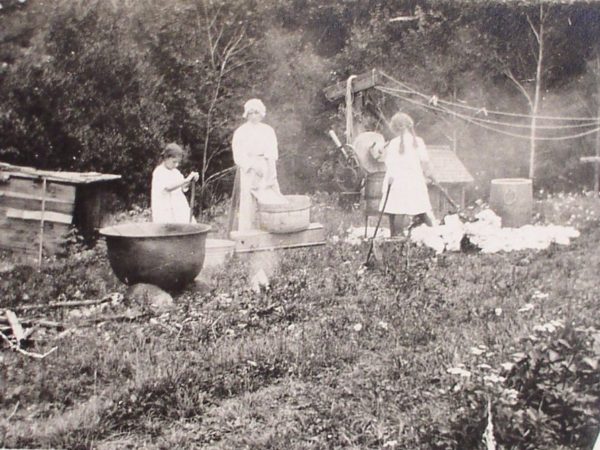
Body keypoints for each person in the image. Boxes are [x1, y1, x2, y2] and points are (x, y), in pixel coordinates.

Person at [231, 98, 285, 231]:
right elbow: (238, 154)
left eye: (257, 112)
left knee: (269, 197)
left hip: (266, 166)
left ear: (262, 113)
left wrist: (271, 172)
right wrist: (252, 166)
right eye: (251, 113)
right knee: (248, 202)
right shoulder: (241, 132)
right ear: (246, 114)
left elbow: (272, 152)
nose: (254, 116)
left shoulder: (268, 130)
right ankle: (247, 233)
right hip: (249, 169)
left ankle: (271, 230)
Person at [380, 112, 436, 237]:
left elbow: (388, 163)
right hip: (413, 182)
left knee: (396, 211)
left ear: (394, 128)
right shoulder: (418, 142)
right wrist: (430, 175)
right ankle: (434, 234)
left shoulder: (393, 143)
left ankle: (395, 238)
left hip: (396, 182)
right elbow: (425, 162)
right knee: (422, 209)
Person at [151, 143, 199, 223]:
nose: (176, 165)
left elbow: (183, 187)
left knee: (186, 229)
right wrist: (186, 180)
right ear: (166, 158)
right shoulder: (159, 172)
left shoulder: (176, 172)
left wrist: (191, 180)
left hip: (178, 209)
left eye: (178, 162)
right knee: (168, 232)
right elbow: (168, 187)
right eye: (174, 162)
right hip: (165, 211)